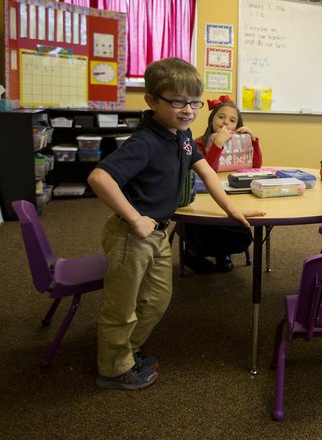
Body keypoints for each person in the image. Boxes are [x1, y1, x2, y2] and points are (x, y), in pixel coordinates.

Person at [87, 58, 265, 390]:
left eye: (194, 102)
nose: (188, 110)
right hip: (131, 235)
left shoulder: (181, 135)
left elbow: (207, 172)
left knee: (156, 298)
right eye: (177, 101)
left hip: (156, 234)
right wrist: (134, 217)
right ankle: (113, 368)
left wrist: (231, 208)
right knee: (122, 306)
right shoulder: (146, 140)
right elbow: (100, 178)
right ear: (152, 100)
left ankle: (127, 350)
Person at [176, 95, 262, 274]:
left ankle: (224, 252)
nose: (226, 123)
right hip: (204, 195)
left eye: (232, 120)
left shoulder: (240, 143)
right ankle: (194, 251)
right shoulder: (198, 143)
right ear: (211, 119)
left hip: (231, 192)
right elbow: (205, 170)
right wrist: (217, 144)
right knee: (207, 220)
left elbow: (256, 165)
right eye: (221, 117)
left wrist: (253, 141)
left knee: (238, 224)